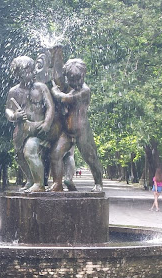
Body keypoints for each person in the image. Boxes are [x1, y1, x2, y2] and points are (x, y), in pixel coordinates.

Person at [50, 58, 103, 192]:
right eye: (71, 79)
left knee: (91, 158)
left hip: (82, 132)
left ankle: (98, 183)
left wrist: (55, 91)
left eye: (77, 79)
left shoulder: (85, 90)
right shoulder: (72, 89)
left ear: (83, 75)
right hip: (67, 132)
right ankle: (57, 183)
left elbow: (66, 99)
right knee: (55, 154)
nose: (74, 82)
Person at [5, 56, 55, 192]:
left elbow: (50, 107)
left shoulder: (41, 87)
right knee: (19, 156)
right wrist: (14, 116)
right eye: (28, 72)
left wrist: (47, 123)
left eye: (32, 71)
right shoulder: (13, 92)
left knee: (29, 151)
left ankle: (39, 184)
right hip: (21, 130)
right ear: (17, 74)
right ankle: (31, 180)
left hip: (38, 128)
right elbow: (8, 110)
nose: (32, 74)